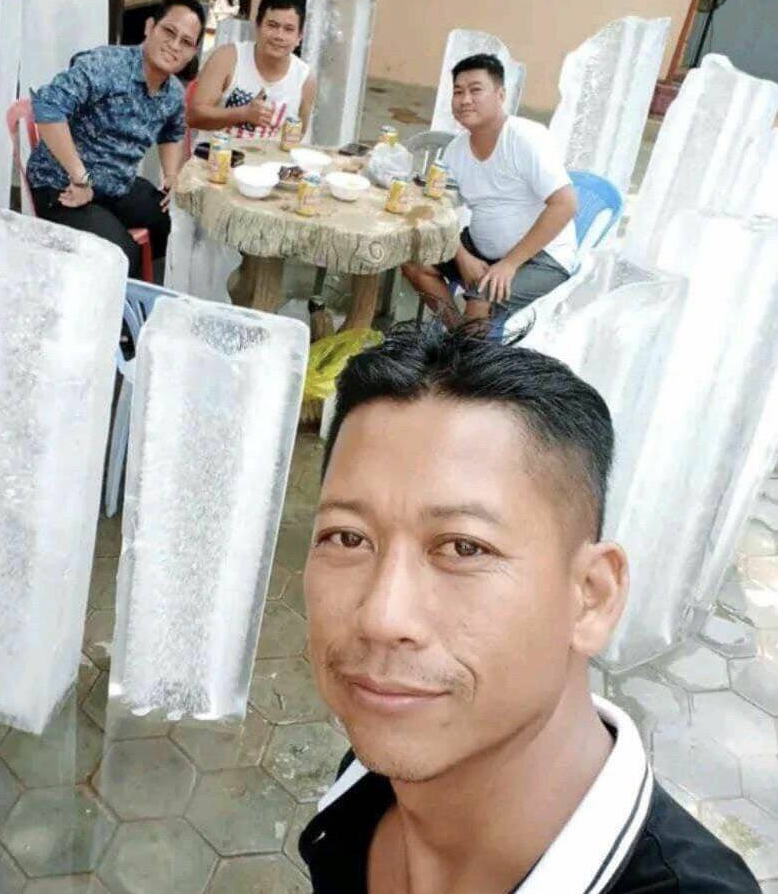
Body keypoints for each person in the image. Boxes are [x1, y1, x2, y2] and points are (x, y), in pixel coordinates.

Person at [300, 323, 761, 894]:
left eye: (464, 548)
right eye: (347, 538)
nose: (381, 617)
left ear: (592, 595)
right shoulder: (368, 778)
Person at [27, 0, 204, 275]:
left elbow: (172, 131)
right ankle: (111, 296)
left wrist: (171, 176)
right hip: (63, 185)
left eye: (185, 42)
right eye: (169, 32)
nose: (174, 46)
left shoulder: (172, 92)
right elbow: (47, 106)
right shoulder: (107, 65)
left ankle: (133, 283)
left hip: (115, 183)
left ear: (193, 52)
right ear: (150, 27)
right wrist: (79, 176)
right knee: (120, 254)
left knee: (174, 222)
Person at [402, 53, 577, 329]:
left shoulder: (526, 138)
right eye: (458, 92)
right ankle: (458, 336)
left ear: (500, 95)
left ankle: (464, 348)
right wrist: (461, 255)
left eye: (475, 90)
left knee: (481, 300)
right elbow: (438, 208)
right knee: (414, 263)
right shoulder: (456, 151)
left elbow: (565, 204)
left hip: (540, 256)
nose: (465, 100)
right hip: (480, 249)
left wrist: (509, 264)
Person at [188, 0, 316, 142]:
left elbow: (299, 135)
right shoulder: (228, 57)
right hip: (215, 155)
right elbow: (194, 116)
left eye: (288, 29)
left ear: (299, 37)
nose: (279, 36)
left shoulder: (305, 79)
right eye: (272, 25)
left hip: (270, 158)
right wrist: (243, 113)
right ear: (258, 26)